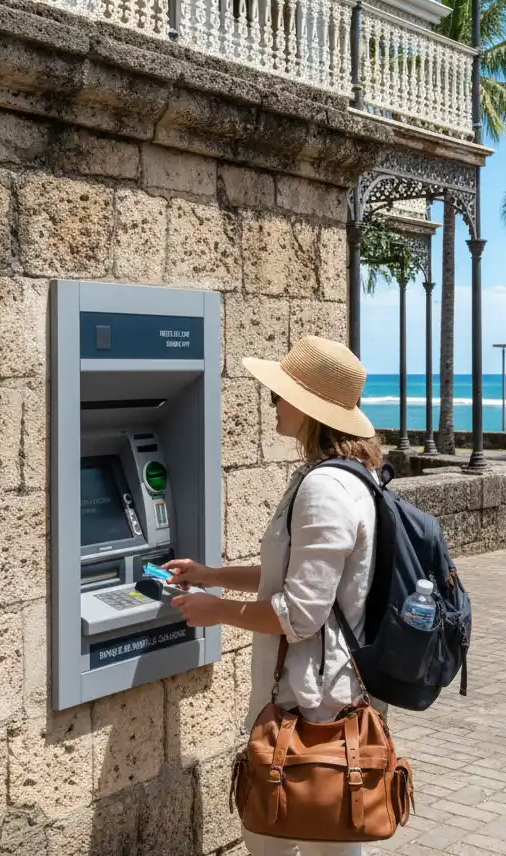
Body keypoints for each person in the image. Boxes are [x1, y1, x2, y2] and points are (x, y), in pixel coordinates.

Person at [165, 335, 384, 856]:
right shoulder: (341, 478)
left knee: (290, 840)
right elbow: (290, 575)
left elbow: (301, 614)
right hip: (309, 695)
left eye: (279, 396)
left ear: (309, 409)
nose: (272, 406)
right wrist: (212, 574)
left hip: (310, 702)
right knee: (285, 836)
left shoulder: (324, 489)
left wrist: (215, 612)